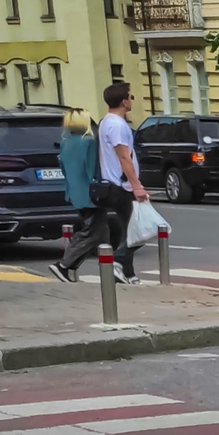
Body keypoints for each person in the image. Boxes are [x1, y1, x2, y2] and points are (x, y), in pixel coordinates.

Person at [87, 83, 147, 284]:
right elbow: (124, 158)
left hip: (113, 185)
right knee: (143, 230)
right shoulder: (118, 126)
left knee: (129, 229)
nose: (132, 100)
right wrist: (136, 185)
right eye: (130, 96)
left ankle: (128, 274)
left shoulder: (106, 121)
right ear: (124, 101)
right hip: (122, 187)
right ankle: (117, 261)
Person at [46, 111, 102, 284]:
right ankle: (64, 264)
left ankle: (70, 267)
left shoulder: (66, 142)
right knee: (92, 232)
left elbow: (63, 167)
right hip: (90, 194)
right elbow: (93, 169)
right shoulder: (89, 142)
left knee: (96, 231)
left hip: (75, 193)